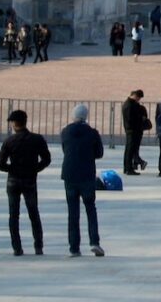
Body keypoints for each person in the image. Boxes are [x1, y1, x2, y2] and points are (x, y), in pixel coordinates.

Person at [0, 108, 50, 257]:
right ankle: (38, 246)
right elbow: (46, 159)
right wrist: (35, 169)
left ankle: (17, 248)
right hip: (30, 180)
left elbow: (0, 164)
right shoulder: (37, 139)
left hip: (13, 180)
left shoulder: (9, 141)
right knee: (34, 213)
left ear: (14, 123)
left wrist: (13, 169)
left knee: (13, 215)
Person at [59, 103, 104, 256]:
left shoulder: (65, 131)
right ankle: (94, 242)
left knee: (73, 212)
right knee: (90, 208)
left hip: (70, 173)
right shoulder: (92, 133)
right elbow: (99, 153)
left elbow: (65, 149)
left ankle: (74, 247)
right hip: (87, 173)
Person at [121, 89, 150, 176]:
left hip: (131, 129)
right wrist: (140, 118)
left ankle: (127, 168)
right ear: (135, 95)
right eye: (138, 97)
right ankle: (129, 168)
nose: (139, 99)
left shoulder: (129, 104)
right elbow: (131, 119)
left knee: (129, 150)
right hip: (132, 130)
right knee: (130, 150)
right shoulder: (130, 105)